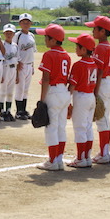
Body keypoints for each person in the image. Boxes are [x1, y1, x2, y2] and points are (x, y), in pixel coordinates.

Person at [35, 24, 71, 171]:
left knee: (51, 127)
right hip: (64, 92)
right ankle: (59, 160)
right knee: (61, 127)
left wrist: (42, 100)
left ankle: (52, 161)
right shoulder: (66, 55)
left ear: (53, 40)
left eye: (46, 37)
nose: (44, 39)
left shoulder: (49, 54)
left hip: (53, 92)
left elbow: (46, 79)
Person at [86, 16, 110, 164]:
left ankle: (104, 153)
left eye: (95, 28)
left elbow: (99, 71)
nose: (92, 31)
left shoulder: (100, 48)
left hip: (102, 84)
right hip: (109, 82)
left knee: (101, 118)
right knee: (105, 118)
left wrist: (95, 92)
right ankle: (105, 151)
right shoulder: (109, 46)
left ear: (103, 31)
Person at [66, 33, 97, 168]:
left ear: (84, 50)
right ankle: (87, 157)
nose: (75, 49)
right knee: (88, 127)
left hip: (81, 97)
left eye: (77, 46)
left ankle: (80, 158)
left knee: (79, 128)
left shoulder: (78, 65)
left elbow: (72, 86)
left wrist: (67, 102)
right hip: (91, 96)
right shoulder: (94, 63)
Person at [14, 13, 36, 120]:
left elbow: (32, 51)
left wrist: (32, 66)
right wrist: (16, 64)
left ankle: (24, 110)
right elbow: (14, 50)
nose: (26, 24)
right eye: (23, 22)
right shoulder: (17, 36)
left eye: (28, 22)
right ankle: (19, 111)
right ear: (20, 23)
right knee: (20, 88)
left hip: (29, 65)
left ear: (31, 23)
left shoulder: (31, 36)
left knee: (26, 89)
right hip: (20, 65)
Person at [0, 23, 18, 122]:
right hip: (5, 69)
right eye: (7, 32)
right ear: (4, 33)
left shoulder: (15, 46)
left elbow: (17, 60)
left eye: (11, 32)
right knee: (2, 91)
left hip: (13, 69)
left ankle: (8, 111)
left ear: (14, 34)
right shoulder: (1, 45)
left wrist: (17, 75)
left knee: (10, 92)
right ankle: (2, 112)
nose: (9, 34)